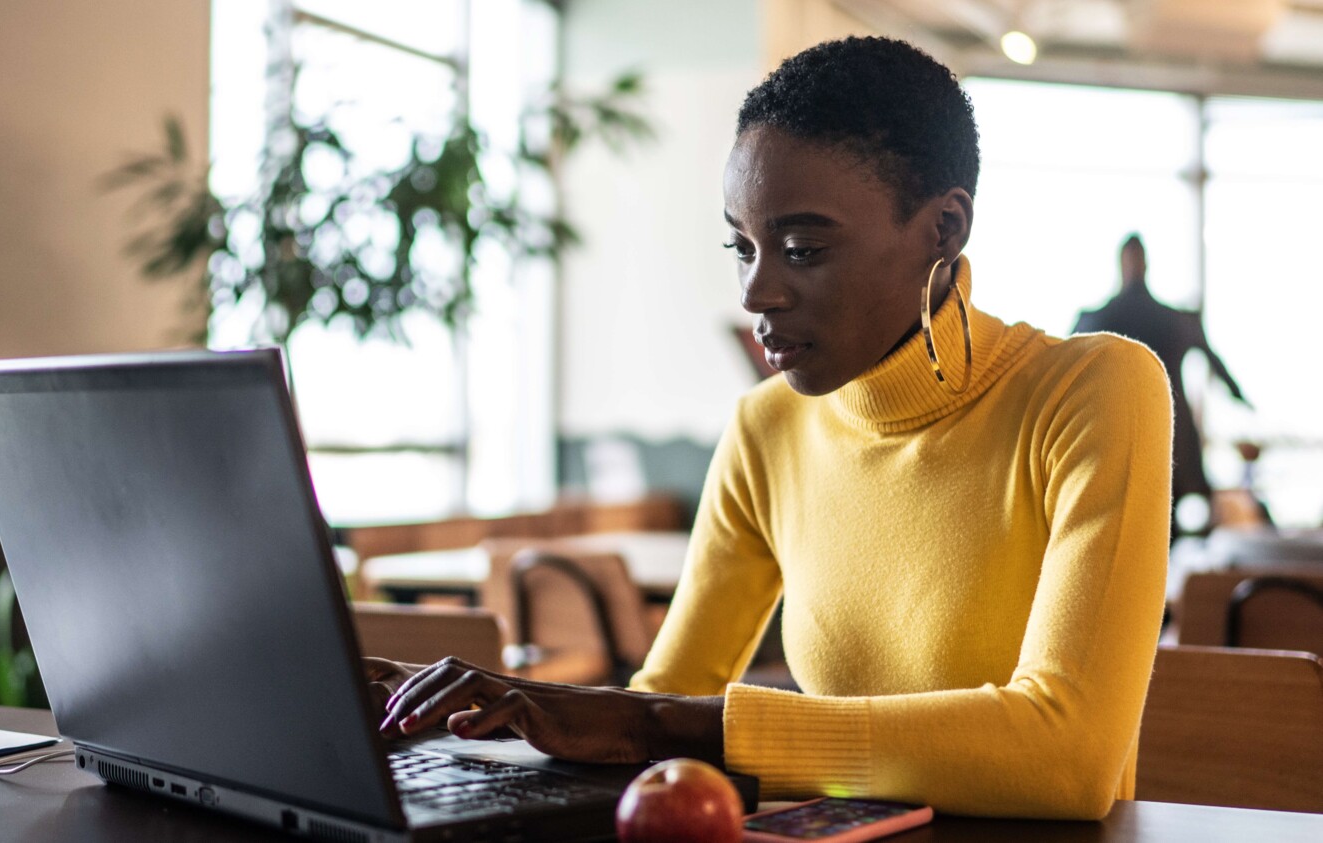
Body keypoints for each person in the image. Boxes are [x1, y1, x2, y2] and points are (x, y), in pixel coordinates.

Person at [367, 37, 1172, 821]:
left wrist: (664, 723)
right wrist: (464, 719)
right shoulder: (768, 425)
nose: (757, 293)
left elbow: (1067, 754)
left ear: (944, 229)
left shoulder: (1092, 389)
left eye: (802, 248)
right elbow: (654, 710)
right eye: (742, 246)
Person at [1074, 234, 1249, 533]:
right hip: (1168, 437)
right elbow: (1215, 364)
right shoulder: (1173, 320)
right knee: (1167, 528)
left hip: (1123, 441)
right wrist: (1240, 398)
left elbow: (1067, 371)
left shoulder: (1097, 320)